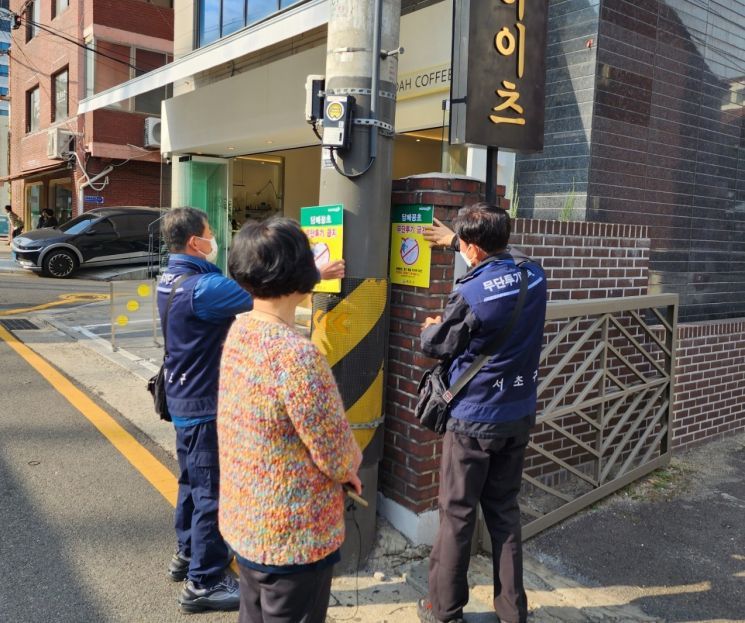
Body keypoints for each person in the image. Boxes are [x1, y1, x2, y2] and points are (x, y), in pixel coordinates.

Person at [218, 217, 362, 623]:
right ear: (300, 272)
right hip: (294, 534)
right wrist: (350, 469)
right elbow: (334, 451)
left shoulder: (240, 331)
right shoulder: (296, 355)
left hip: (247, 519)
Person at [417, 203, 548, 623]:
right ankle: (513, 613)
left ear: (472, 250)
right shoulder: (535, 275)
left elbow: (437, 344)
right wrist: (459, 241)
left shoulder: (471, 292)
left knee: (457, 516)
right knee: (505, 514)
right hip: (517, 413)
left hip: (473, 420)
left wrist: (428, 326)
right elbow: (502, 263)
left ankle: (445, 611)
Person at [157, 207, 252, 614]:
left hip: (181, 399)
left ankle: (186, 554)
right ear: (196, 242)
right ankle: (205, 582)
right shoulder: (203, 287)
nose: (215, 238)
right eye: (211, 233)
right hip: (203, 404)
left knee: (191, 484)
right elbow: (257, 297)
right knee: (211, 492)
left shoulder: (168, 278)